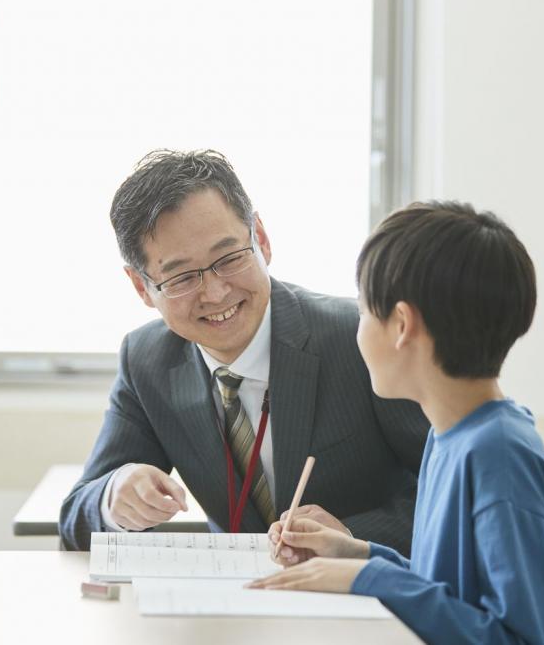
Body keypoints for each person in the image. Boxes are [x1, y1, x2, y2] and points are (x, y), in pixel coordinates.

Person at [251, 201, 544, 644]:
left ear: (401, 325)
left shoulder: (498, 456)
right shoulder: (451, 435)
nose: (358, 331)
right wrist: (357, 554)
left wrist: (367, 578)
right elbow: (451, 593)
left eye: (363, 313)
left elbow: (521, 637)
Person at [59, 150, 429, 553]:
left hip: (366, 597)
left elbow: (455, 495)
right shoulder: (147, 360)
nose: (216, 293)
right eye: (182, 277)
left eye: (229, 257)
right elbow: (77, 517)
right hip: (235, 604)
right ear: (141, 287)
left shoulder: (358, 337)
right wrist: (115, 497)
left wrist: (354, 538)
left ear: (262, 240)